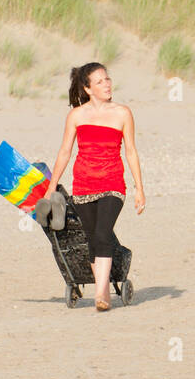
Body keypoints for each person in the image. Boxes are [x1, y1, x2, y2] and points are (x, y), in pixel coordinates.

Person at [41, 63, 146, 311]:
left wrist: (139, 188)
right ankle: (103, 287)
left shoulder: (123, 113)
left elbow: (130, 151)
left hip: (112, 183)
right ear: (88, 88)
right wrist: (51, 186)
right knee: (91, 238)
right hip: (84, 184)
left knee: (102, 234)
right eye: (99, 81)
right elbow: (65, 151)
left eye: (107, 79)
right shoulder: (76, 115)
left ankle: (102, 294)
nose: (107, 84)